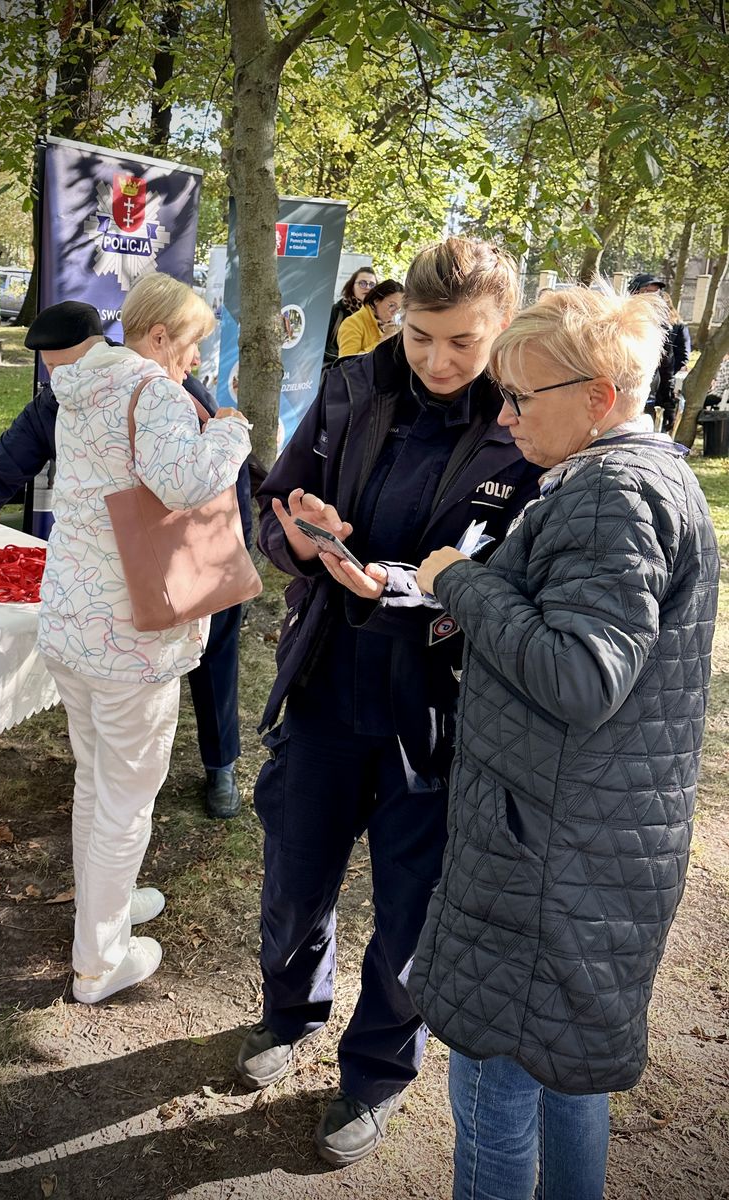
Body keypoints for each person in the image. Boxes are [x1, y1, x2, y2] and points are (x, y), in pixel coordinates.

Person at [236, 237, 544, 1166]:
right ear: (396, 317)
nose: (438, 362)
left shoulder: (528, 422)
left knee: (413, 909)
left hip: (443, 707)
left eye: (463, 343)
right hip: (329, 679)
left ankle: (374, 1074)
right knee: (295, 877)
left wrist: (407, 588)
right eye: (419, 337)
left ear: (502, 328)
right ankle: (289, 1015)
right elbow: (275, 510)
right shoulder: (350, 387)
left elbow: (523, 577)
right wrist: (301, 539)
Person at [410, 283, 719, 1200]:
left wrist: (460, 582)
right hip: (582, 836)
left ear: (598, 397)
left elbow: (580, 677)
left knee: (496, 1085)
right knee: (561, 1071)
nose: (504, 418)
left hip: (547, 851)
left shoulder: (613, 495)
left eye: (519, 397)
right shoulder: (641, 476)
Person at [35, 279, 251, 1004]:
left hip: (74, 617)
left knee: (96, 779)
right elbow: (186, 483)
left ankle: (106, 908)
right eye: (189, 345)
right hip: (129, 632)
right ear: (158, 335)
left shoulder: (77, 385)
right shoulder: (151, 390)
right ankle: (100, 960)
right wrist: (232, 429)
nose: (192, 361)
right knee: (125, 797)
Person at [0, 300, 250, 821]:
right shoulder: (62, 397)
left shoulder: (173, 390)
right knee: (115, 783)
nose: (59, 379)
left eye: (61, 366)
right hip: (116, 606)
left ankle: (220, 764)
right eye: (50, 371)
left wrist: (232, 564)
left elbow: (224, 489)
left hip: (190, 563)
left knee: (216, 657)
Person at [627, 274, 690, 433]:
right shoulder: (616, 320)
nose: (653, 298)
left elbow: (666, 366)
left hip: (646, 397)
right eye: (647, 292)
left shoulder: (661, 328)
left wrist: (668, 405)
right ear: (634, 293)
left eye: (656, 293)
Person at [336, 279, 404, 358]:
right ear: (376, 300)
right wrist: (384, 341)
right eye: (391, 305)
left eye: (398, 308)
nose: (394, 312)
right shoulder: (352, 323)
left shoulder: (391, 327)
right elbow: (346, 362)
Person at [323, 266, 377, 366]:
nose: (367, 288)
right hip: (338, 368)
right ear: (352, 285)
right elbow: (321, 345)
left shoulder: (379, 316)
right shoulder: (337, 311)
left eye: (372, 285)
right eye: (362, 283)